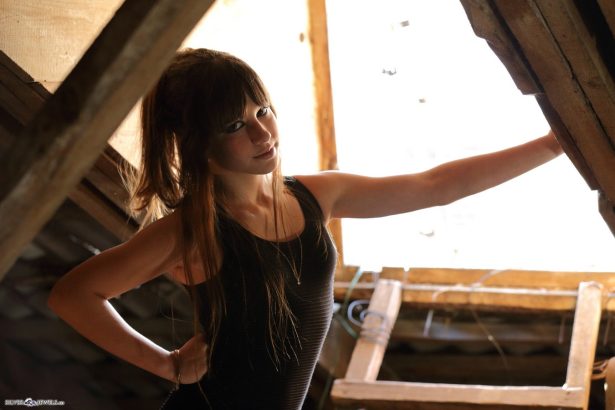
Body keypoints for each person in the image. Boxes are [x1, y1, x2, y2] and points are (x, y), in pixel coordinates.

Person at [47, 48, 563, 409]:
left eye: (263, 111)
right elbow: (73, 294)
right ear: (197, 140)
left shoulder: (316, 195)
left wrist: (551, 144)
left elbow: (435, 185)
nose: (262, 132)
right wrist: (166, 365)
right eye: (235, 125)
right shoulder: (193, 229)